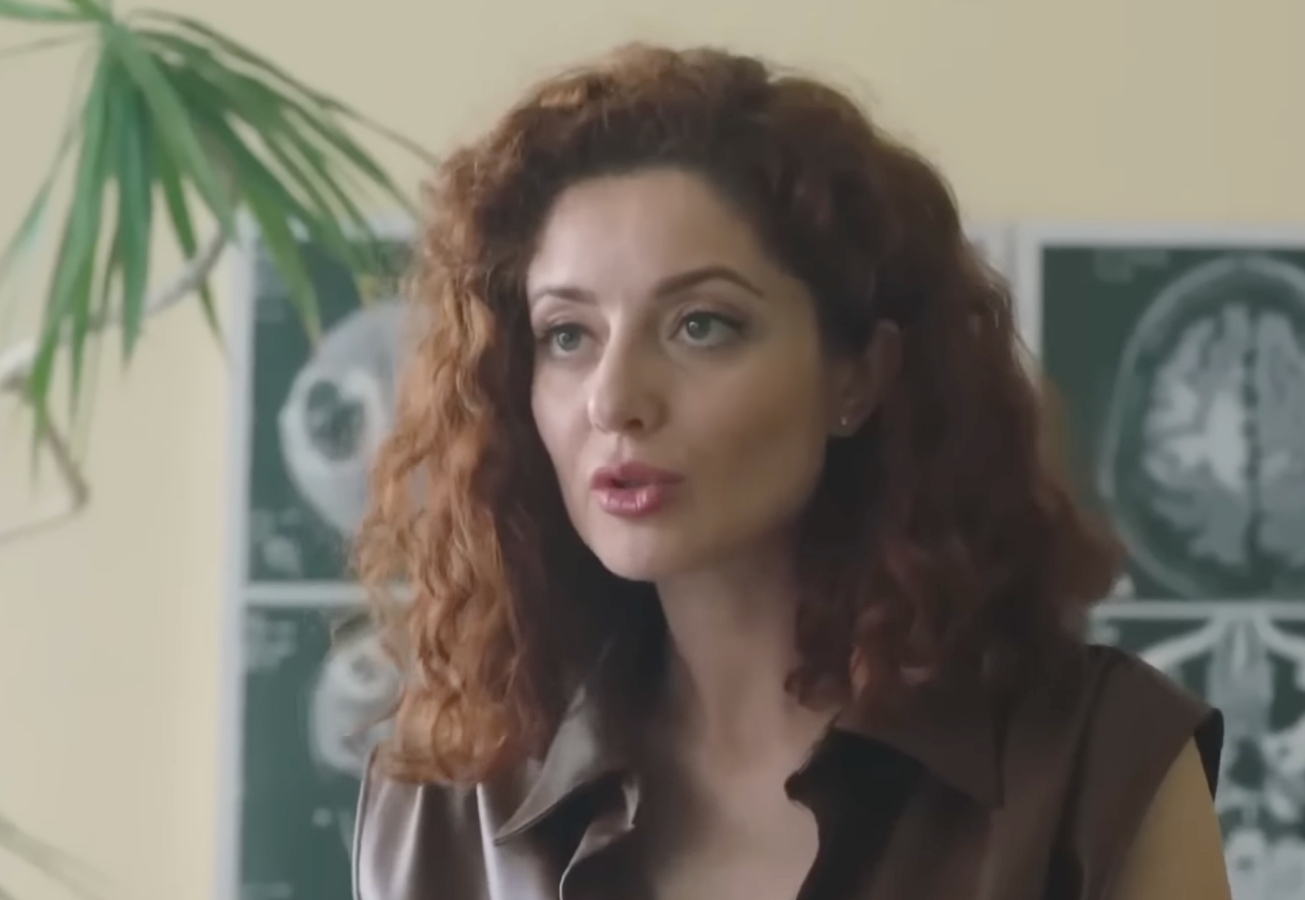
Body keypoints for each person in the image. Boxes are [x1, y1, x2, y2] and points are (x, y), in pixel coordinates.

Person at [351, 44, 1230, 900]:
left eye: (700, 325)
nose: (613, 400)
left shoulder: (1095, 767)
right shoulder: (444, 799)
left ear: (858, 376)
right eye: (567, 334)